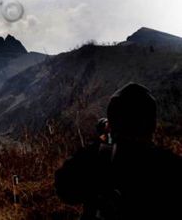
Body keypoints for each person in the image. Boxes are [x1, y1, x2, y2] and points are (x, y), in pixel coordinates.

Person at [55, 83, 182, 219]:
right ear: (153, 125)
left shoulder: (96, 158)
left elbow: (65, 190)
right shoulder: (171, 165)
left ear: (113, 124)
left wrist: (102, 143)